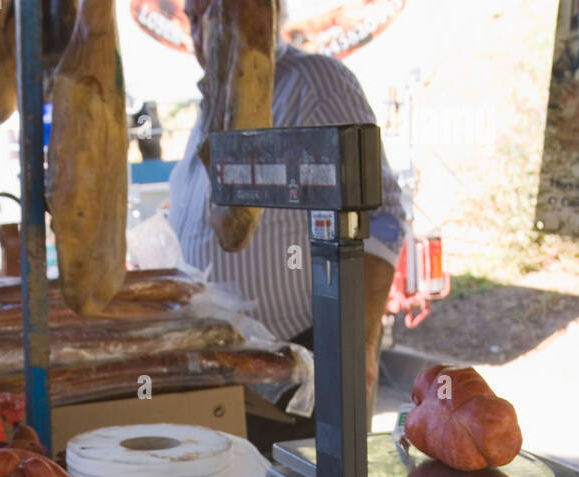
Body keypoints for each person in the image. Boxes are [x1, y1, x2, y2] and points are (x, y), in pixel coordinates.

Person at [168, 1, 406, 409]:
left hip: (300, 368)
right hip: (221, 370)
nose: (203, 26)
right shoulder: (213, 101)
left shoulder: (316, 84)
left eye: (215, 10)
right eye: (193, 15)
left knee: (296, 474)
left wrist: (360, 343)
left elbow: (383, 216)